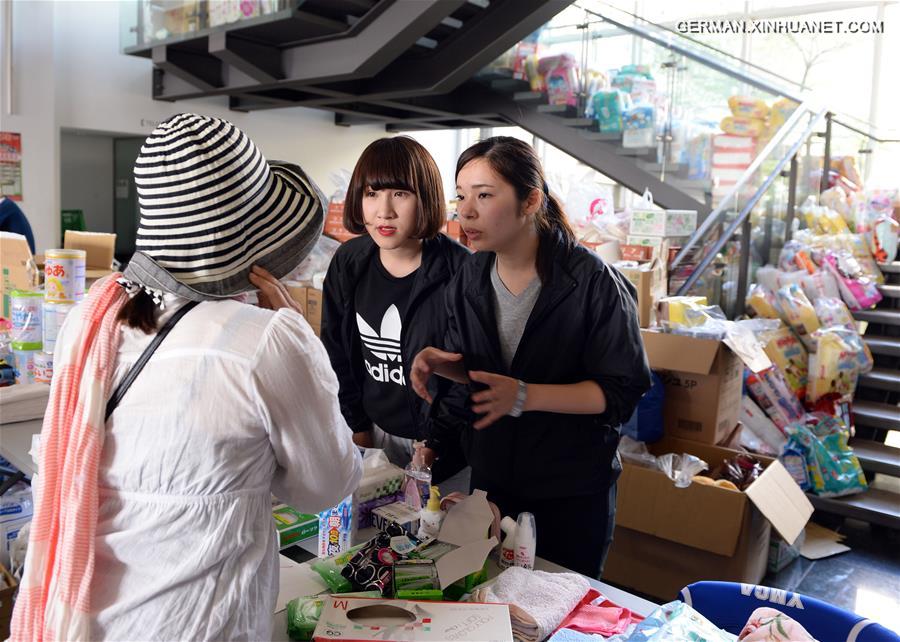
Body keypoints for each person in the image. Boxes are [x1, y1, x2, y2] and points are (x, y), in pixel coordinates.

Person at [10, 113, 362, 642]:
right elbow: (325, 486)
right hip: (202, 621)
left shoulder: (92, 318)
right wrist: (300, 343)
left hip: (84, 616)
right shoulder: (266, 340)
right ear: (254, 242)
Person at [410, 136, 651, 578]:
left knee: (559, 616)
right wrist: (443, 364)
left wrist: (524, 395)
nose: (465, 211)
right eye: (461, 196)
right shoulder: (470, 273)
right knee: (493, 608)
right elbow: (482, 374)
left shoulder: (593, 283)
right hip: (494, 481)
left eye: (484, 195)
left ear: (530, 201)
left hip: (569, 493)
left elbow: (620, 392)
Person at [317, 136, 470, 481]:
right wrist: (357, 427)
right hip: (370, 432)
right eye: (371, 194)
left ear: (426, 198)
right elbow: (337, 351)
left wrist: (436, 442)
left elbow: (467, 372)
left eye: (400, 194)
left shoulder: (461, 271)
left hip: (441, 444)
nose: (384, 211)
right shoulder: (349, 260)